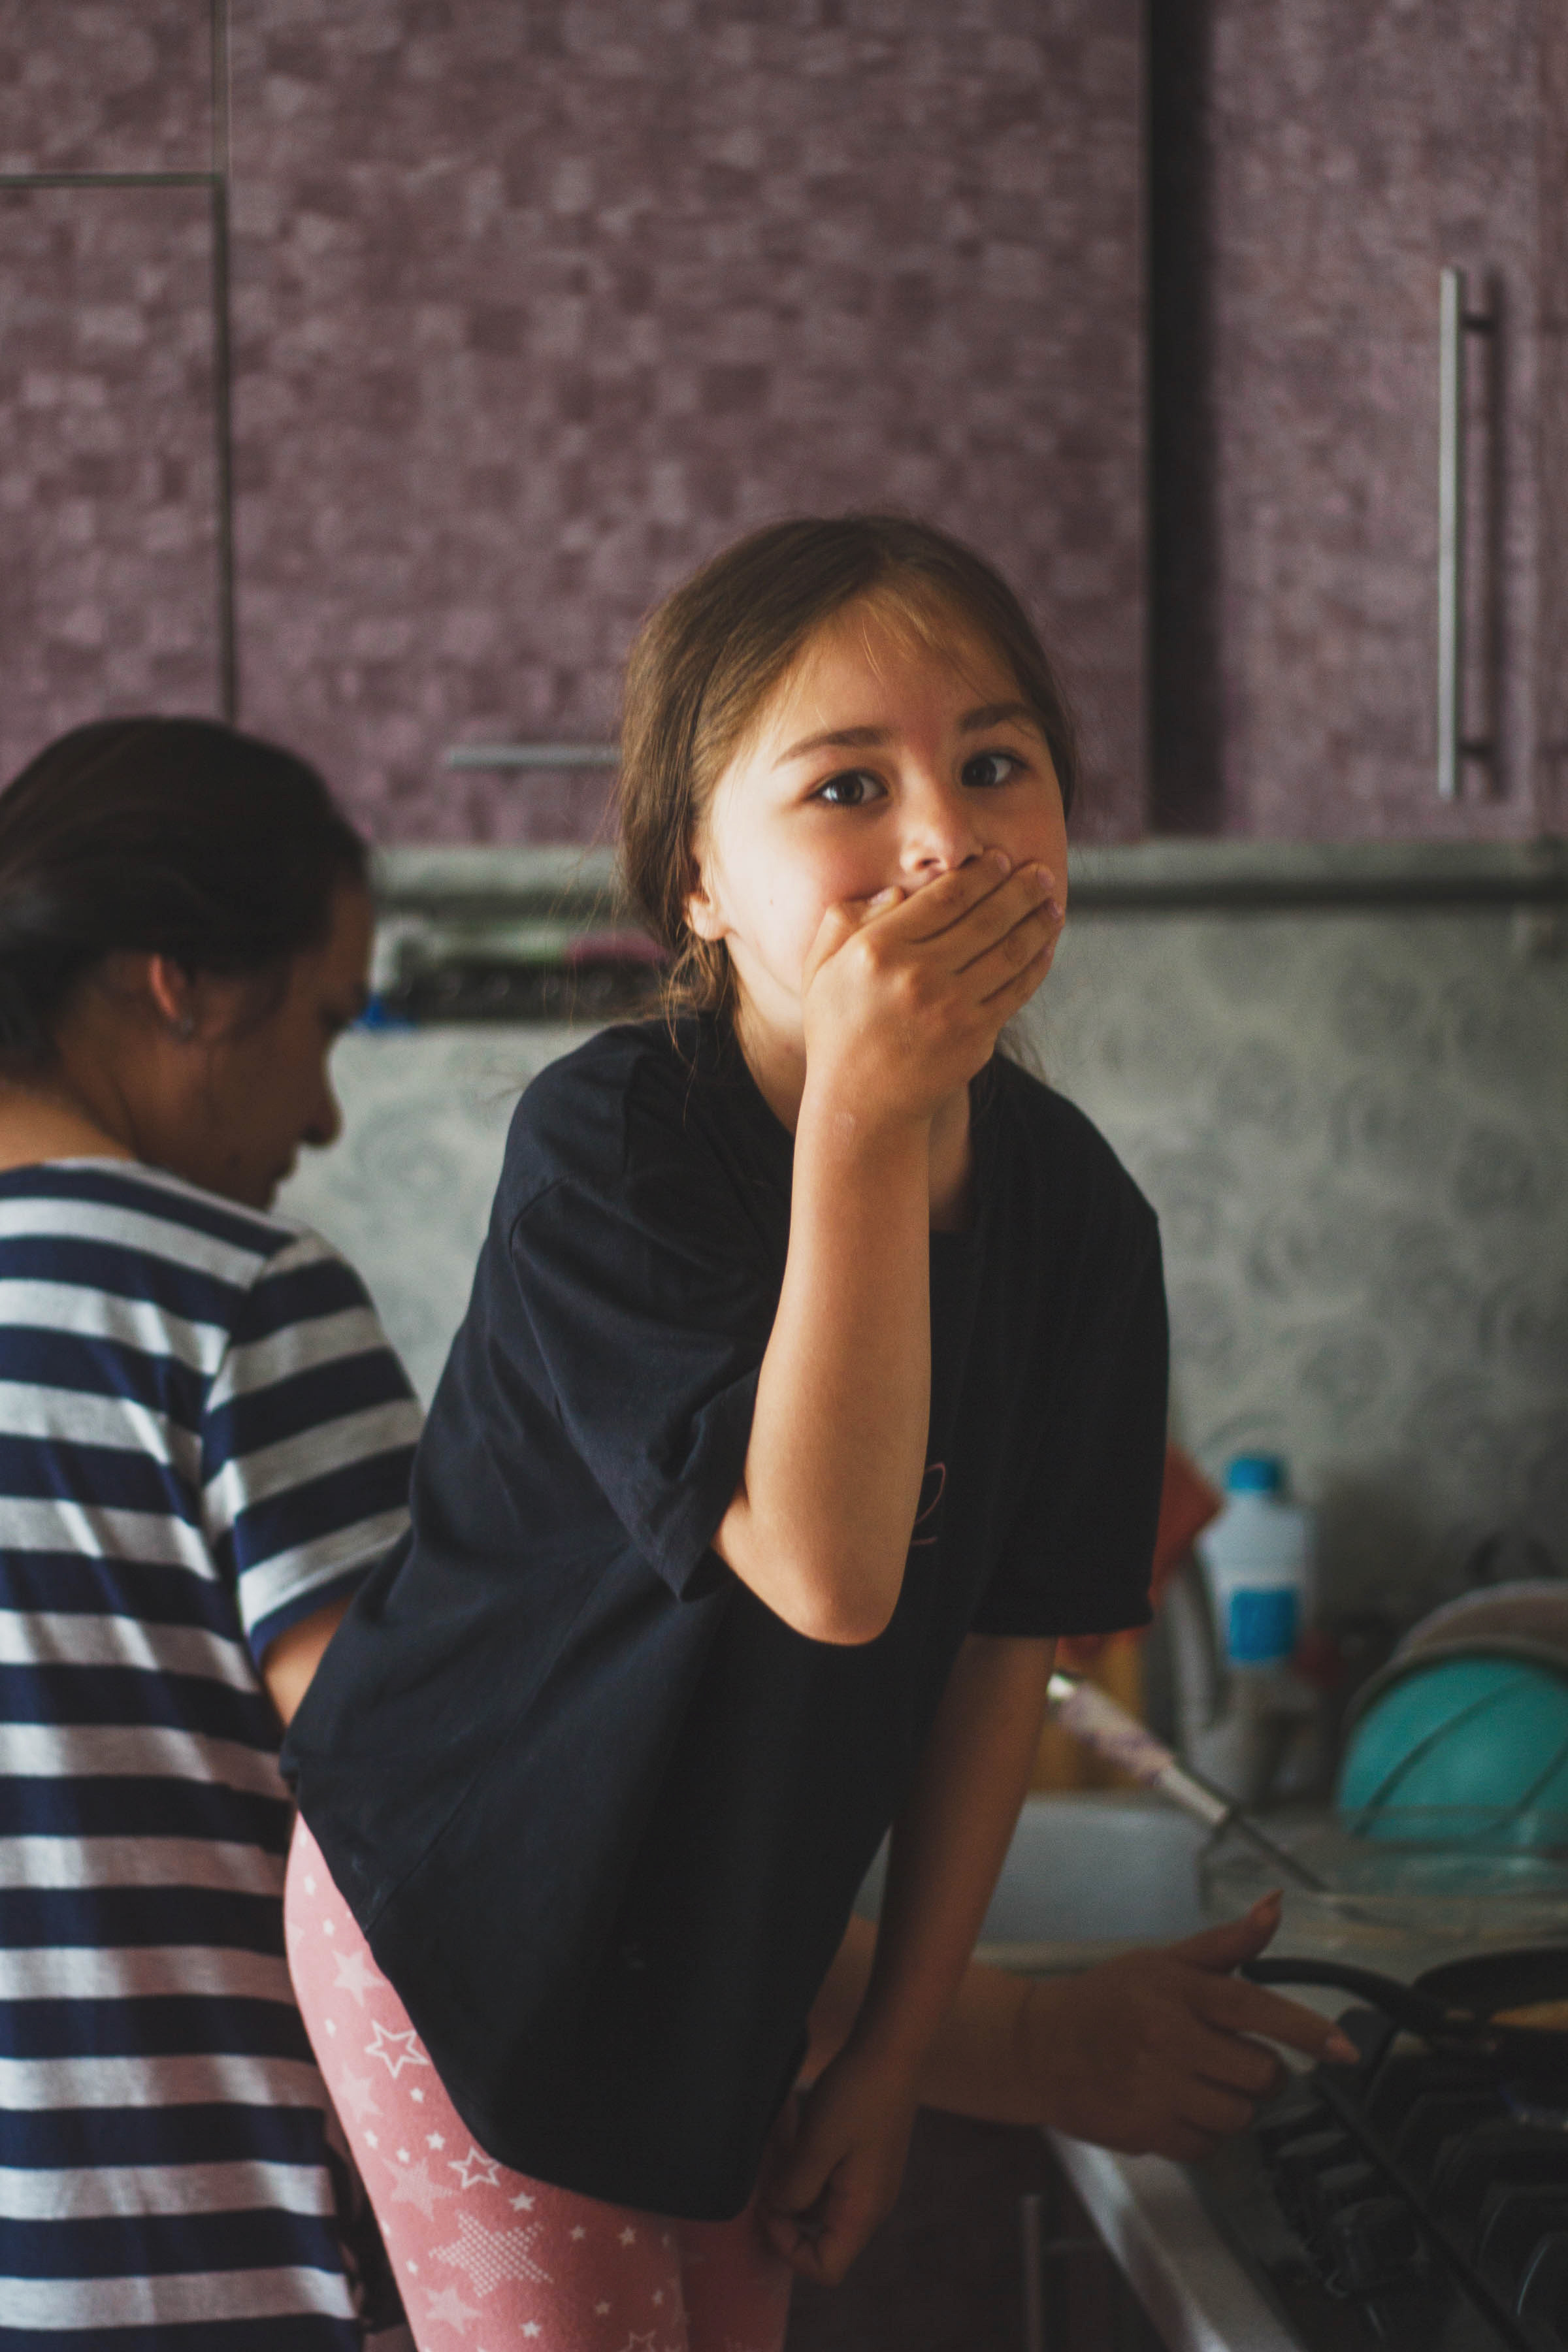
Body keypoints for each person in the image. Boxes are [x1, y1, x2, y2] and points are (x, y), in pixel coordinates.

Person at [282, 515, 1350, 2352]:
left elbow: (1003, 1653)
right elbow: (831, 1576)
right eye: (848, 785)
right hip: (470, 1917)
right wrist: (859, 1112)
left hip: (722, 1962)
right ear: (697, 883)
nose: (944, 835)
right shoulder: (617, 1148)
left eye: (996, 764)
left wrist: (890, 2051)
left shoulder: (1078, 1222)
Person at [0, 717, 423, 2346]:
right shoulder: (232, 1300)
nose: (318, 1114)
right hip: (207, 2274)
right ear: (174, 979)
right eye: (322, 1023)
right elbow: (453, 1849)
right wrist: (976, 2038)